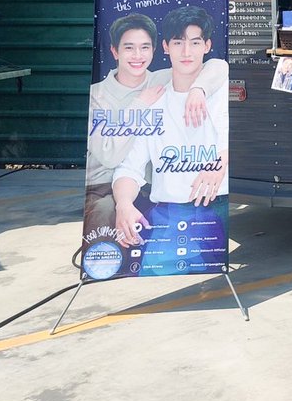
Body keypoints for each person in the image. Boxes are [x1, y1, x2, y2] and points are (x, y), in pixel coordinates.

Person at [85, 14, 228, 240]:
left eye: (144, 47)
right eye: (129, 47)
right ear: (114, 51)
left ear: (154, 50)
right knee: (109, 216)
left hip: (151, 185)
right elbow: (111, 158)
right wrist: (139, 105)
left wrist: (198, 89)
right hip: (104, 184)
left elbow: (218, 66)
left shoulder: (161, 80)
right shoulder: (98, 95)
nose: (137, 55)